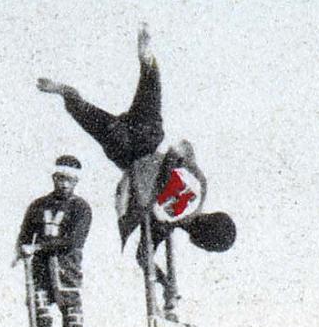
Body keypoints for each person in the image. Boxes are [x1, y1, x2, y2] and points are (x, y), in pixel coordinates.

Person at [36, 26, 235, 255]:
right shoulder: (165, 224)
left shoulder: (200, 187)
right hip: (124, 152)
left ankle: (147, 61)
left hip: (149, 137)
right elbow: (143, 254)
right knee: (88, 117)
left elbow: (183, 148)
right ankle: (70, 96)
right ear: (200, 242)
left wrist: (170, 159)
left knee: (150, 87)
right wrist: (160, 278)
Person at [16, 154, 92, 327]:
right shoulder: (38, 206)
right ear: (54, 177)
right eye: (60, 178)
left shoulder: (81, 208)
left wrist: (39, 247)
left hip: (68, 274)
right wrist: (23, 249)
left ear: (75, 182)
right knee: (43, 322)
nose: (64, 184)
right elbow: (24, 237)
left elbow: (74, 240)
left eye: (69, 180)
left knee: (75, 326)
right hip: (41, 275)